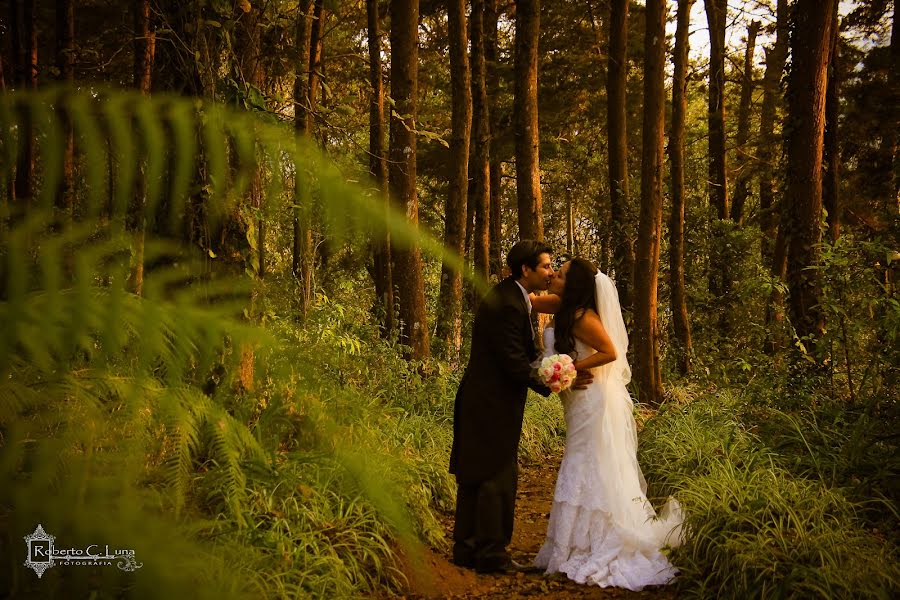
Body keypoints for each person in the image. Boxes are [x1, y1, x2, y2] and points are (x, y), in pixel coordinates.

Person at [530, 258, 684, 591]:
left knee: (587, 460)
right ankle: (572, 544)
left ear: (574, 285)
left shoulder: (583, 317)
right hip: (575, 401)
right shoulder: (562, 307)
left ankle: (595, 542)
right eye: (554, 270)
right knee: (583, 460)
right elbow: (528, 298)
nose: (555, 274)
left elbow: (611, 351)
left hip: (591, 399)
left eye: (562, 273)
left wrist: (572, 368)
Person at [450, 240, 581, 574]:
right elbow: (513, 360)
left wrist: (551, 369)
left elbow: (521, 352)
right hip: (491, 403)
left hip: (482, 399)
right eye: (546, 266)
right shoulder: (509, 303)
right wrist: (552, 380)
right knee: (496, 475)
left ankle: (467, 549)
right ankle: (492, 555)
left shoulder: (513, 296)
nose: (550, 272)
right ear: (526, 270)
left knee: (475, 474)